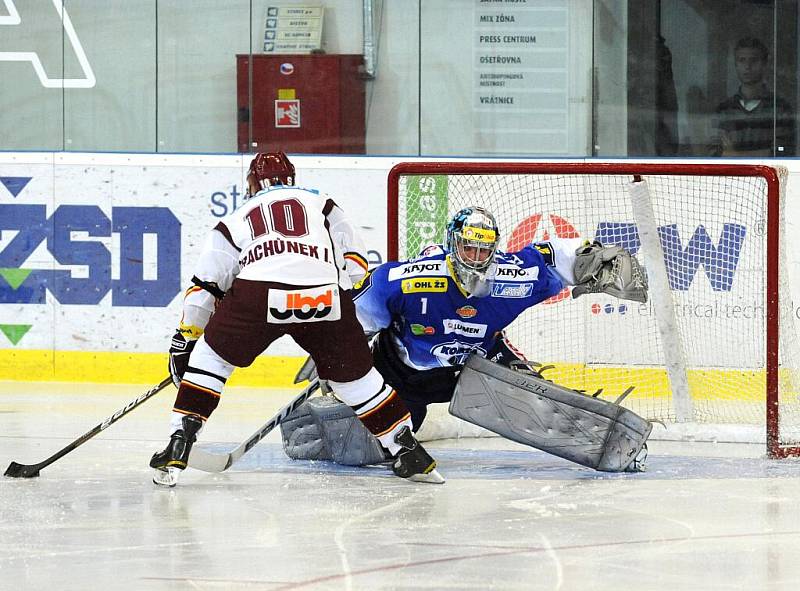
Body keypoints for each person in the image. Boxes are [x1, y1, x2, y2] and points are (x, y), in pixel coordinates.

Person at [151, 152, 444, 486]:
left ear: (251, 183)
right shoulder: (322, 203)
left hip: (259, 294)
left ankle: (180, 442)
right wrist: (343, 317)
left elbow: (206, 286)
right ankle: (408, 451)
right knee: (357, 381)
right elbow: (357, 264)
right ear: (291, 179)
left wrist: (185, 340)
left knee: (211, 360)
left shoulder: (233, 219)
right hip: (324, 295)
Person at [284, 206, 648, 468]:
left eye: (484, 249)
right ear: (451, 244)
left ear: (494, 249)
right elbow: (359, 313)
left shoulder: (511, 279)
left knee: (532, 400)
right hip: (398, 373)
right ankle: (319, 418)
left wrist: (595, 260)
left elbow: (554, 256)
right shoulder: (407, 280)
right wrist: (333, 350)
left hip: (476, 365)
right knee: (370, 448)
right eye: (468, 247)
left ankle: (600, 439)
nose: (476, 258)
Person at [712, 36, 795, 157]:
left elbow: (782, 153)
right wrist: (764, 152)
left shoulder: (780, 108)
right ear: (735, 65)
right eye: (742, 60)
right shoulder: (724, 110)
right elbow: (715, 154)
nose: (747, 66)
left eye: (754, 60)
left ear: (764, 64)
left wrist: (735, 154)